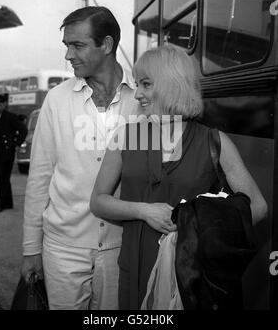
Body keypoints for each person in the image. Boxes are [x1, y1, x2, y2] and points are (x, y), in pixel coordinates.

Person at [90, 44, 268, 309]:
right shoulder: (127, 136)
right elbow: (98, 201)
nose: (137, 94)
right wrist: (144, 211)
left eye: (146, 84)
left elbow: (258, 206)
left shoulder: (214, 141)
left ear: (172, 85)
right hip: (134, 271)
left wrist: (196, 226)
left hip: (190, 280)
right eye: (138, 84)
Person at [21, 6, 138, 310]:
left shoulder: (142, 100)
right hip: (62, 251)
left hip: (121, 249)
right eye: (66, 46)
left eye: (78, 45)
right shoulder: (57, 101)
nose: (68, 55)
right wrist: (31, 248)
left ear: (107, 45)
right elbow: (40, 179)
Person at [0, 94, 27, 214]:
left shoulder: (10, 117)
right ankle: (8, 203)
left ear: (4, 104)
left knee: (3, 179)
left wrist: (15, 143)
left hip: (7, 152)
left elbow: (23, 130)